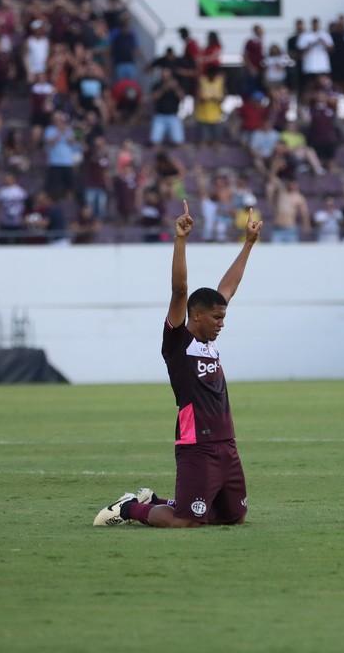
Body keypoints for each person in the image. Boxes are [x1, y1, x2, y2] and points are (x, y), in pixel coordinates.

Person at [93, 201, 262, 528]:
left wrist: (248, 244)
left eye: (223, 316)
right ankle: (130, 509)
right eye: (216, 317)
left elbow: (228, 288)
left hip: (226, 442)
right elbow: (179, 289)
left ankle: (154, 501)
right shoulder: (178, 342)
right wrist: (181, 240)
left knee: (233, 516)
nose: (221, 323)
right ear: (195, 315)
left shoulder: (208, 341)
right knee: (186, 521)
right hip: (196, 444)